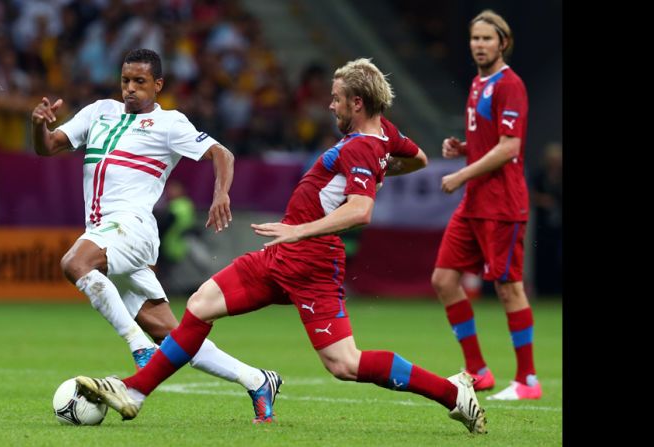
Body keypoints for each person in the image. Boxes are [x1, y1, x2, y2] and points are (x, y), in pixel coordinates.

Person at [74, 58, 488, 434]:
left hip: (312, 261)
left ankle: (454, 395)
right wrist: (384, 168)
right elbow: (418, 159)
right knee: (201, 304)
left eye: (337, 99)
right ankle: (135, 393)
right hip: (281, 256)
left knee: (345, 364)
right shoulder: (383, 134)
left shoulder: (362, 146)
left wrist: (300, 230)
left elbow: (361, 211)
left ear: (357, 103)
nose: (330, 106)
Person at [30, 48, 282, 422]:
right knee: (175, 335)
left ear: (158, 85)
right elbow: (47, 147)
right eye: (125, 81)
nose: (130, 89)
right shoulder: (100, 112)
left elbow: (222, 154)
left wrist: (220, 194)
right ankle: (258, 380)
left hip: (132, 227)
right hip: (103, 231)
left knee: (75, 262)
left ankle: (138, 348)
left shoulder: (170, 124)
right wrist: (39, 124)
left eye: (140, 82)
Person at [432, 10, 540, 401]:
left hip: (502, 204)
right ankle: (478, 371)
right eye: (475, 39)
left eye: (487, 39)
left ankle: (528, 380)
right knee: (444, 280)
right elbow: (492, 140)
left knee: (508, 288)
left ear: (503, 43)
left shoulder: (511, 85)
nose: (479, 45)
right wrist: (464, 148)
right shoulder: (478, 84)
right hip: (474, 202)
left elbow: (511, 147)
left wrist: (461, 173)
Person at [530, 142, 562, 295]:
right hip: (542, 225)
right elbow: (530, 194)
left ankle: (557, 289)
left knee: (558, 255)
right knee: (540, 253)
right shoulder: (539, 175)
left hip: (559, 224)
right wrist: (542, 200)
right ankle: (542, 288)